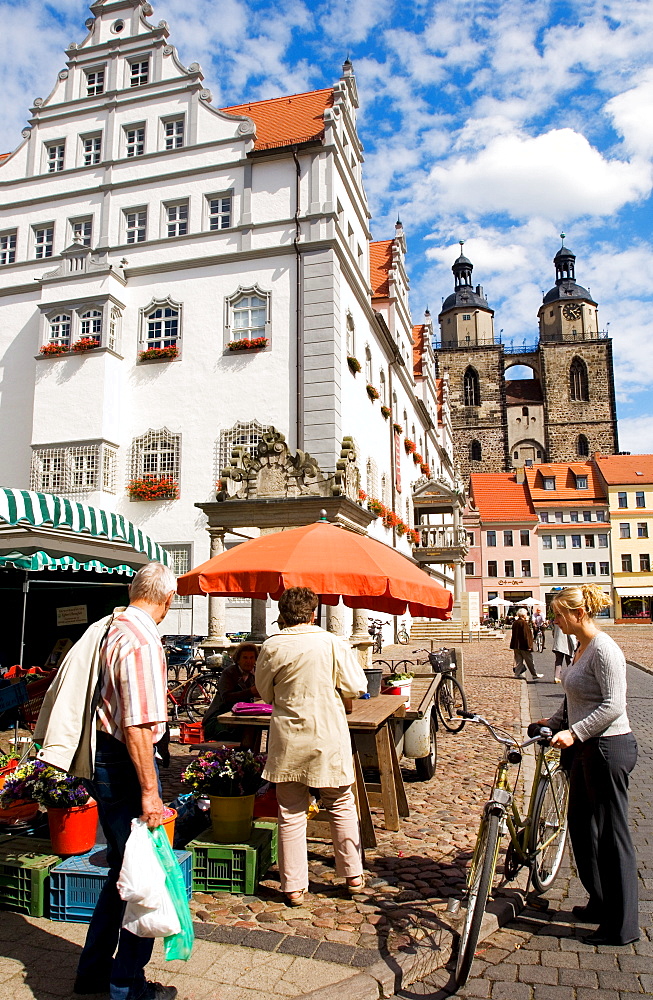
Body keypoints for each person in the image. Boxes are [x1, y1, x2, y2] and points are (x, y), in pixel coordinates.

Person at [74, 562, 179, 1000]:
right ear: (168, 600)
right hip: (123, 765)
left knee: (122, 871)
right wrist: (152, 794)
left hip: (107, 760)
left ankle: (94, 972)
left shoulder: (113, 628)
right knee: (143, 874)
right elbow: (137, 726)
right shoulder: (140, 642)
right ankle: (126, 984)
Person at [255, 587, 368, 906]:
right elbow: (357, 686)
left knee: (290, 811)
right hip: (327, 733)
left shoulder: (273, 645)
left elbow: (264, 692)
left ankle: (293, 886)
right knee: (341, 802)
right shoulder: (332, 642)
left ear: (283, 614)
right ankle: (353, 874)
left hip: (289, 736)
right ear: (313, 613)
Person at [542, 584, 639, 946]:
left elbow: (614, 705)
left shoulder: (604, 649)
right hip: (584, 749)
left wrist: (575, 732)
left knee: (613, 835)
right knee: (582, 828)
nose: (555, 620)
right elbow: (574, 698)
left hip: (609, 749)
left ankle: (622, 926)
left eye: (558, 614)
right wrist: (554, 723)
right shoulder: (578, 648)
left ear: (577, 614)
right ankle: (599, 901)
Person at [202, 642, 259, 747]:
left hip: (244, 715)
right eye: (245, 658)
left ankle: (251, 757)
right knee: (245, 729)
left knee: (256, 727)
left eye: (252, 658)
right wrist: (250, 692)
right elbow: (227, 698)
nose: (249, 661)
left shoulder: (256, 673)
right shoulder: (229, 673)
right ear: (238, 659)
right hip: (220, 716)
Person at [510, 608, 543, 680]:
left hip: (516, 645)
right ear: (523, 615)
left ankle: (517, 674)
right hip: (523, 645)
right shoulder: (523, 623)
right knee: (529, 660)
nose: (527, 615)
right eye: (526, 614)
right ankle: (534, 674)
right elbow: (526, 635)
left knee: (519, 660)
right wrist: (529, 645)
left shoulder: (515, 622)